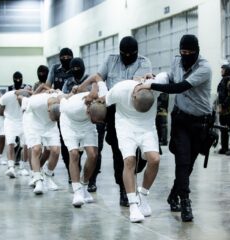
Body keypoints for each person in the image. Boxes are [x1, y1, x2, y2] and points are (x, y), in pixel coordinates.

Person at [138, 34, 212, 222]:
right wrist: (154, 78)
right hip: (180, 120)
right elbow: (171, 78)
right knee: (183, 161)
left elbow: (180, 87)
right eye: (183, 51)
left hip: (200, 121)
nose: (185, 55)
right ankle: (185, 202)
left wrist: (152, 85)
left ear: (196, 51)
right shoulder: (177, 61)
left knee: (188, 166)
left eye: (189, 52)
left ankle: (173, 195)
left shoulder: (204, 68)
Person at [77, 36, 152, 206]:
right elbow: (98, 76)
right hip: (115, 113)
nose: (126, 56)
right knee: (121, 154)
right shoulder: (111, 60)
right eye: (123, 54)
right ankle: (124, 190)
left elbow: (137, 84)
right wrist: (83, 86)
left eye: (130, 54)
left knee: (142, 154)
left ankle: (133, 178)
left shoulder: (144, 62)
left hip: (136, 112)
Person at [104, 78, 163, 222]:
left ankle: (142, 196)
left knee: (155, 159)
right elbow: (104, 100)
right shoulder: (120, 89)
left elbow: (170, 79)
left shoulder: (156, 87)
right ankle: (133, 205)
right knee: (129, 161)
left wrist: (152, 76)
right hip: (126, 126)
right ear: (133, 96)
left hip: (147, 127)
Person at [60, 81, 107, 207]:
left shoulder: (101, 101)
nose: (96, 122)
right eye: (95, 120)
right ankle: (77, 192)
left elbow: (98, 80)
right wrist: (69, 95)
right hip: (69, 122)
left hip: (86, 124)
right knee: (74, 154)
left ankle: (84, 186)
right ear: (88, 112)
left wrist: (94, 90)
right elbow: (61, 102)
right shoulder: (71, 107)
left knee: (93, 155)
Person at [46, 47, 74, 183]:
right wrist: (54, 91)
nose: (66, 59)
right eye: (63, 57)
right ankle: (71, 172)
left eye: (69, 57)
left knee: (75, 144)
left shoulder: (76, 67)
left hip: (73, 107)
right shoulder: (55, 69)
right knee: (64, 142)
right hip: (59, 108)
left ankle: (75, 167)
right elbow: (47, 85)